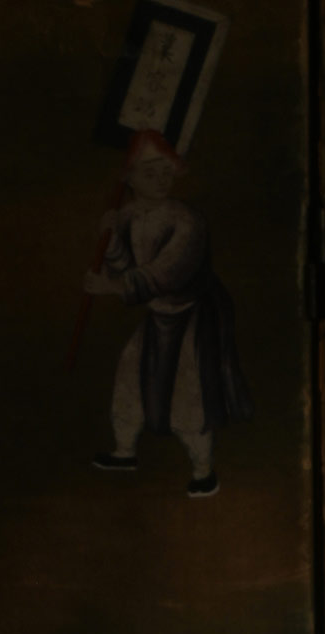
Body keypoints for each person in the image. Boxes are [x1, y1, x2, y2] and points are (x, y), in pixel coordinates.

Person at [86, 129, 252, 498]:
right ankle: (124, 451)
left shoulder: (187, 220)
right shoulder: (126, 216)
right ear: (129, 178)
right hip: (158, 314)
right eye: (150, 172)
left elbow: (166, 273)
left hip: (194, 315)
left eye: (166, 172)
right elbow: (125, 267)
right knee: (130, 375)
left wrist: (111, 286)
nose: (161, 180)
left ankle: (203, 471)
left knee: (189, 395)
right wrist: (111, 245)